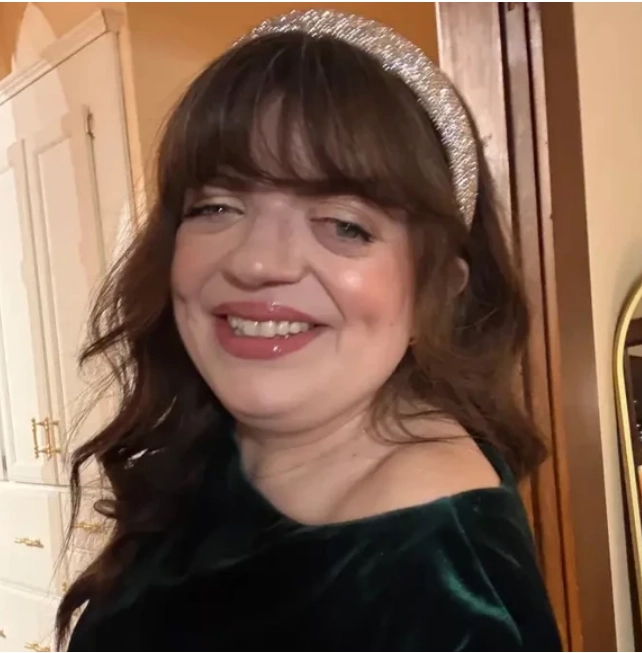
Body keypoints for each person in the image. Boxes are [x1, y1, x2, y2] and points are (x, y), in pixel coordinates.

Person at [59, 9, 562, 652]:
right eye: (217, 206)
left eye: (344, 224)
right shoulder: (217, 448)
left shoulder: (433, 572)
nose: (257, 262)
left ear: (436, 291)